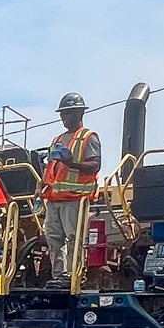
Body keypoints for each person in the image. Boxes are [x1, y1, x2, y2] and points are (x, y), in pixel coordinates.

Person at [40, 92, 101, 287]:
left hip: (75, 198)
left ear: (78, 113)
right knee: (53, 237)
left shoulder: (88, 137)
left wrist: (72, 163)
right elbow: (50, 167)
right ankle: (60, 275)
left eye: (66, 113)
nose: (63, 118)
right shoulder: (57, 139)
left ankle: (75, 274)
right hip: (54, 198)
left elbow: (94, 165)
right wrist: (39, 186)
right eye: (62, 114)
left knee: (74, 237)